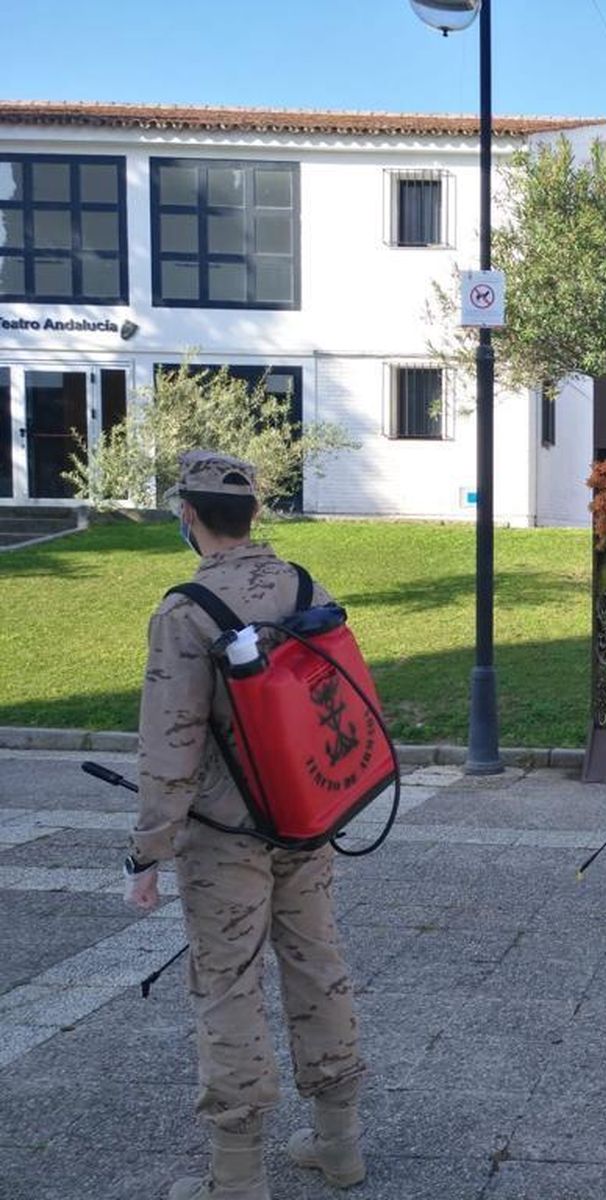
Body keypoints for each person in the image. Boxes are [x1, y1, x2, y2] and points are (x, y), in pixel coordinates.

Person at [122, 450, 367, 1199]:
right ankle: (339, 1146)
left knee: (227, 985)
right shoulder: (304, 584)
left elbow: (171, 744)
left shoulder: (185, 611)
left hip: (224, 837)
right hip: (305, 818)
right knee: (317, 966)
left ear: (188, 516)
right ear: (254, 515)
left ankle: (237, 1179)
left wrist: (146, 854)